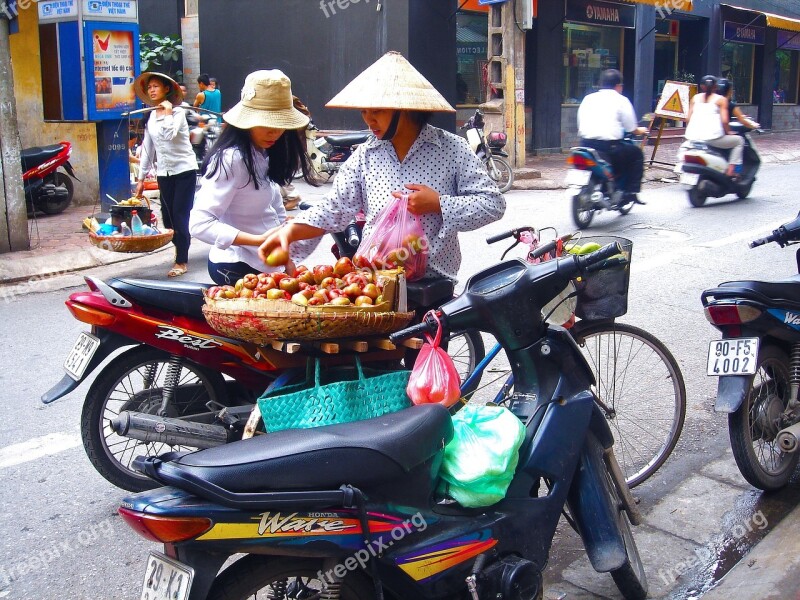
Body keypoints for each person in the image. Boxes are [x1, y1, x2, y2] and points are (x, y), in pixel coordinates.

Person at [258, 51, 505, 287]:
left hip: (433, 285)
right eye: (364, 111)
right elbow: (335, 207)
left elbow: (493, 204)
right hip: (373, 284)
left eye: (376, 111)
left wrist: (438, 203)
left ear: (405, 108)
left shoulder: (452, 149)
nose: (368, 119)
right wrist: (289, 232)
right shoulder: (365, 155)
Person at [189, 70, 317, 285]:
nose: (274, 132)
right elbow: (200, 224)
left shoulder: (262, 153)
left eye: (280, 124)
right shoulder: (232, 159)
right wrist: (257, 240)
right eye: (267, 123)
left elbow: (274, 210)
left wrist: (285, 258)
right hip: (237, 266)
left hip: (267, 265)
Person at [133, 72, 197, 277]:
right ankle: (180, 247)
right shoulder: (151, 116)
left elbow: (170, 135)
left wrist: (168, 113)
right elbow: (148, 148)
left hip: (184, 170)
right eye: (149, 87)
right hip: (164, 172)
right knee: (167, 219)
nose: (151, 90)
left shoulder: (177, 113)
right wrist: (141, 179)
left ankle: (182, 261)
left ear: (167, 89)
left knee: (180, 215)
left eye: (155, 86)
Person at [577, 69, 647, 207]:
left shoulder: (588, 98)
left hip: (585, 145)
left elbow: (579, 123)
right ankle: (631, 192)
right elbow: (631, 128)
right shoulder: (621, 100)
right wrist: (641, 130)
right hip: (608, 147)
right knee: (637, 154)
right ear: (618, 85)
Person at [684, 74, 744, 178]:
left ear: (701, 86)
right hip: (712, 139)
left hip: (692, 138)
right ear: (716, 87)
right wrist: (729, 132)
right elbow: (725, 121)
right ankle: (731, 170)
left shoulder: (695, 98)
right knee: (739, 141)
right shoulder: (721, 100)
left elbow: (688, 119)